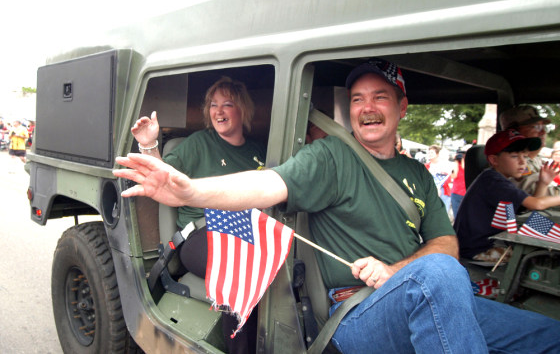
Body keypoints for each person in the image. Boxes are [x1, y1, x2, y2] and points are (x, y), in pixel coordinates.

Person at [114, 58, 560, 353]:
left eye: (379, 97)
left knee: (546, 333)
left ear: (402, 107)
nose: (367, 107)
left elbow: (445, 242)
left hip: (415, 289)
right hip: (354, 311)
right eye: (358, 99)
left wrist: (396, 270)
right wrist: (191, 193)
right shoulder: (330, 157)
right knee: (440, 277)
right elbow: (267, 184)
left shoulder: (420, 175)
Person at [131, 76, 265, 354]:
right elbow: (162, 176)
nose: (218, 111)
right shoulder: (198, 144)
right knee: (237, 268)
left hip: (248, 232)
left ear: (243, 110)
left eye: (227, 104)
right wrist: (148, 144)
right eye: (213, 105)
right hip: (202, 236)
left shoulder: (257, 151)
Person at [454, 130, 560, 264]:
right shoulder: (493, 181)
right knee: (545, 255)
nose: (523, 162)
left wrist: (543, 183)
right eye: (515, 156)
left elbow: (531, 210)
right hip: (478, 249)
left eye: (525, 156)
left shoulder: (497, 180)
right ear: (494, 160)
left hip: (487, 244)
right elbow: (536, 204)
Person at [499, 105, 552, 194]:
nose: (543, 132)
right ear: (514, 132)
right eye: (536, 127)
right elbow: (539, 194)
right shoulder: (511, 163)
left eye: (544, 127)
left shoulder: (536, 159)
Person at [426, 145, 452, 213]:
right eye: (429, 153)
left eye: (432, 153)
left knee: (443, 212)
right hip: (430, 191)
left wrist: (439, 186)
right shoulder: (426, 166)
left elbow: (449, 177)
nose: (429, 154)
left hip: (443, 191)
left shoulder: (444, 164)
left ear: (437, 154)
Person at [450, 151, 466, 218]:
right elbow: (454, 176)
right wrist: (456, 161)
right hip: (456, 192)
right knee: (456, 215)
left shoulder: (470, 166)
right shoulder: (457, 164)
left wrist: (463, 160)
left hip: (466, 193)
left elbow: (464, 168)